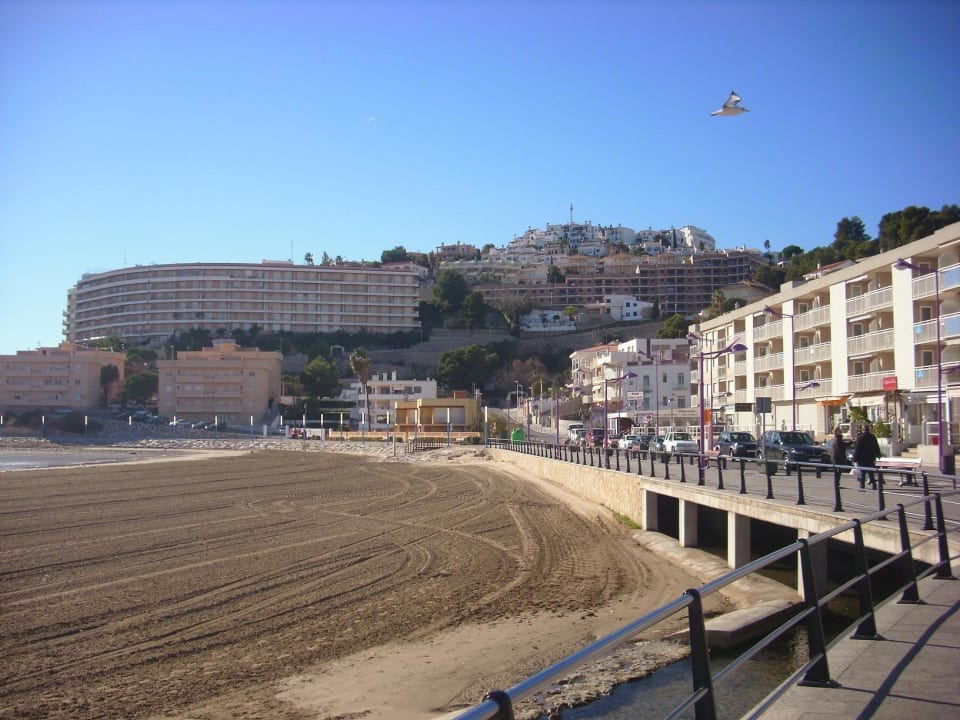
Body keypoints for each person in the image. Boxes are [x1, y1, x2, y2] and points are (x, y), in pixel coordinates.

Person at [853, 423, 881, 490]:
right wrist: (878, 454)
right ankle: (874, 485)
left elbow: (858, 449)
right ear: (869, 430)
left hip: (862, 458)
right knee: (871, 472)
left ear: (863, 430)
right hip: (871, 457)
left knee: (863, 472)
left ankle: (862, 486)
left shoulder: (861, 438)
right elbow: (876, 446)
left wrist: (855, 458)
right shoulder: (872, 437)